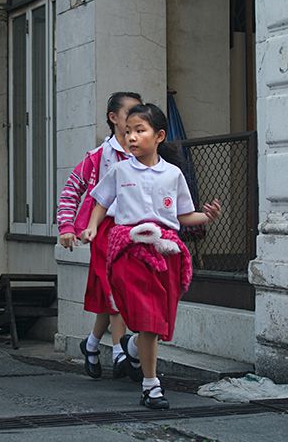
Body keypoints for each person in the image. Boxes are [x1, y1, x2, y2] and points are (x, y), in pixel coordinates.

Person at [81, 103, 221, 409]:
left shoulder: (173, 174)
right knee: (145, 317)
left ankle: (131, 347)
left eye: (139, 131)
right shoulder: (120, 170)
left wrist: (206, 217)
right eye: (128, 131)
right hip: (129, 251)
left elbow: (184, 215)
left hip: (166, 251)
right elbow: (101, 202)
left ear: (158, 136)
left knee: (156, 322)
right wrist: (92, 227)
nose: (131, 137)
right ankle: (151, 385)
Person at [57, 92, 143, 379]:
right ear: (113, 118)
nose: (134, 119)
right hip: (105, 231)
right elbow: (71, 190)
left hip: (137, 232)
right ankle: (120, 352)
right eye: (129, 112)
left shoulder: (143, 154)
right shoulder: (98, 157)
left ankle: (92, 344)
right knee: (116, 288)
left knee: (115, 293)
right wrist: (67, 227)